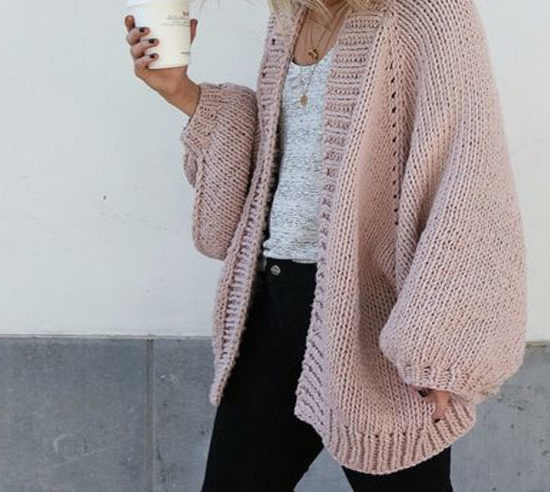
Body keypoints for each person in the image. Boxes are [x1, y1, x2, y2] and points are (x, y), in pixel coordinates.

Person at [124, 0, 527, 490]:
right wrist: (182, 91)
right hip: (270, 306)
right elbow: (275, 158)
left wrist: (440, 342)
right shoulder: (290, 17)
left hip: (373, 323)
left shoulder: (430, 14)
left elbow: (471, 178)